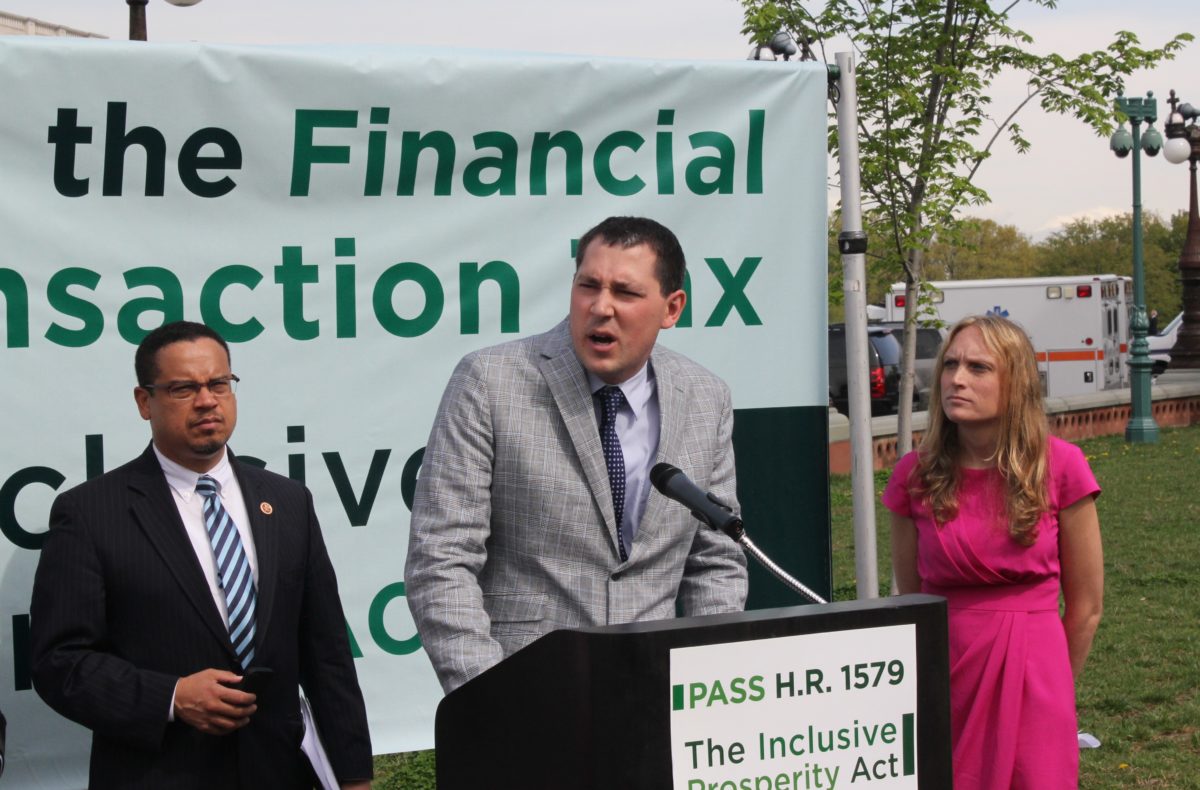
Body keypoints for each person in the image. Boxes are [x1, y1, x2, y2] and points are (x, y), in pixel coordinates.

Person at [406, 215, 749, 692]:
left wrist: (708, 687)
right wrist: (491, 699)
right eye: (589, 286)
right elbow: (440, 562)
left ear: (672, 308)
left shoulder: (705, 397)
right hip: (525, 697)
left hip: (657, 696)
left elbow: (717, 561)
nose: (600, 307)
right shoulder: (489, 383)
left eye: (625, 293)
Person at [30, 321, 372, 790]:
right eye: (183, 388)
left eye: (219, 384)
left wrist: (354, 776)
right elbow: (60, 662)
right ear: (144, 401)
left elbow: (328, 656)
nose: (207, 400)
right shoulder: (90, 513)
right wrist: (170, 697)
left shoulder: (289, 502)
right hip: (160, 773)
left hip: (280, 771)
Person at [883, 314, 1104, 789]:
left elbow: (1085, 607)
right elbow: (913, 592)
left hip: (1037, 674)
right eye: (951, 365)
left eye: (978, 368)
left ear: (1016, 382)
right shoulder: (913, 475)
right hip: (945, 669)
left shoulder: (1063, 466)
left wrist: (1057, 687)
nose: (957, 379)